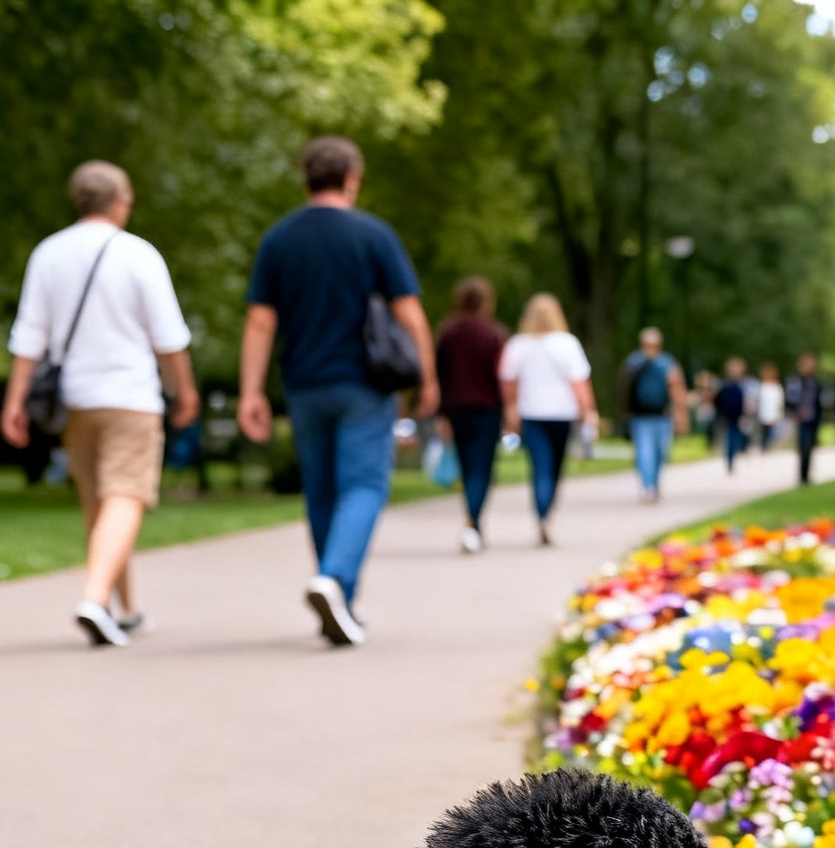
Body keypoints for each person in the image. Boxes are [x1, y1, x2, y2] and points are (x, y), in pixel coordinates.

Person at [239, 135, 436, 647]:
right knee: (365, 485)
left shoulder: (279, 239)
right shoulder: (373, 236)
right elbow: (409, 313)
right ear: (353, 178)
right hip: (365, 385)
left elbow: (261, 323)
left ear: (305, 176)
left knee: (322, 490)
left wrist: (250, 392)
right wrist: (427, 377)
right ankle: (335, 580)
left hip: (304, 383)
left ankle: (339, 596)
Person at [1, 160, 198, 649]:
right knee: (126, 496)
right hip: (130, 396)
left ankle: (122, 608)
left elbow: (29, 337)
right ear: (120, 202)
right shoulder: (138, 255)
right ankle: (93, 599)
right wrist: (185, 390)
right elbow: (168, 336)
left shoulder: (49, 253)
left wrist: (15, 400)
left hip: (76, 400)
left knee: (99, 503)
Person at [500, 294, 596, 546]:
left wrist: (511, 411)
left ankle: (542, 515)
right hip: (561, 414)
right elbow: (579, 383)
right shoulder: (567, 343)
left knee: (539, 467)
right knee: (555, 467)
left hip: (531, 413)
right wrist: (588, 411)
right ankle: (548, 514)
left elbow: (508, 382)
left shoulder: (518, 345)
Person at [433, 276, 507, 553]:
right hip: (487, 410)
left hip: (456, 410)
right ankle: (473, 523)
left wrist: (441, 415)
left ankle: (471, 522)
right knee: (482, 469)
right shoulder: (494, 335)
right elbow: (501, 377)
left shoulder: (447, 334)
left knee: (466, 467)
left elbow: (441, 376)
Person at [620, 327, 686, 501]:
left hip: (662, 416)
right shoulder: (633, 362)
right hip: (640, 416)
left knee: (660, 452)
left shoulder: (666, 362)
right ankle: (647, 486)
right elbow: (623, 390)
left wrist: (680, 415)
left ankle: (654, 485)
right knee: (644, 451)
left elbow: (676, 389)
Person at [784, 352, 825, 485]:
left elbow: (819, 402)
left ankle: (806, 475)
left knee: (809, 447)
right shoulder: (795, 381)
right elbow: (790, 400)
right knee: (803, 447)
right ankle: (802, 476)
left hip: (813, 418)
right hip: (800, 418)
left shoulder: (815, 382)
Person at [714, 357, 750, 471]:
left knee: (735, 439)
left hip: (736, 417)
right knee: (731, 440)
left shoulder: (737, 386)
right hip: (729, 417)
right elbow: (718, 402)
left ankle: (732, 459)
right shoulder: (726, 386)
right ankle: (730, 460)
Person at [755, 363, 785, 451]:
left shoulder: (776, 387)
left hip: (773, 414)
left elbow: (780, 401)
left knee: (772, 433)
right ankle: (763, 447)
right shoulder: (761, 387)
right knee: (764, 433)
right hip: (763, 414)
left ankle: (771, 447)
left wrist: (779, 413)